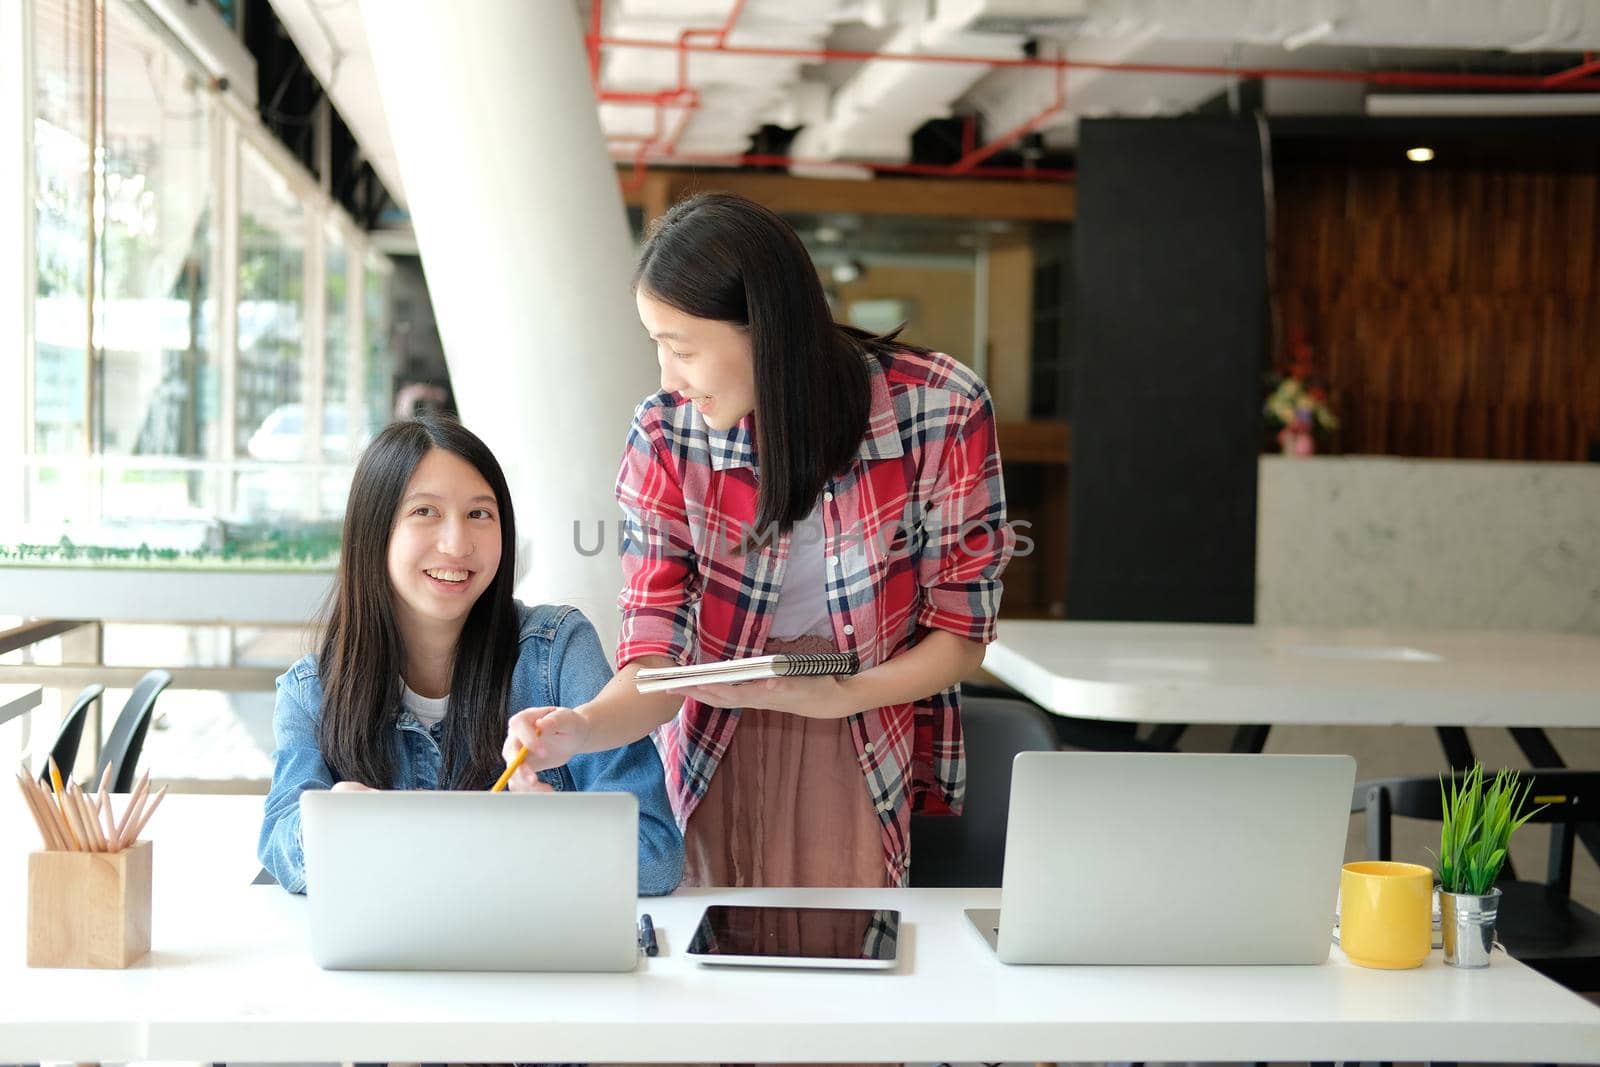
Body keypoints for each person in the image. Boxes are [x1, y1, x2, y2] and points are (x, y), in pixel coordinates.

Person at [504, 192, 1013, 890]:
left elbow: (961, 633)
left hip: (863, 735)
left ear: (764, 329)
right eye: (658, 346)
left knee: (846, 971)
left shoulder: (942, 407)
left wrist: (844, 694)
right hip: (714, 742)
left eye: (681, 348)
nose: (667, 379)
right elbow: (655, 657)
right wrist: (582, 727)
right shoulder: (664, 434)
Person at [259, 415, 683, 896]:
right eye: (425, 512)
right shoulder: (310, 691)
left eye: (480, 514)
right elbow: (279, 844)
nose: (457, 544)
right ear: (373, 532)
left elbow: (655, 856)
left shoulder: (556, 651)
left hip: (532, 965)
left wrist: (551, 833)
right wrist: (327, 828)